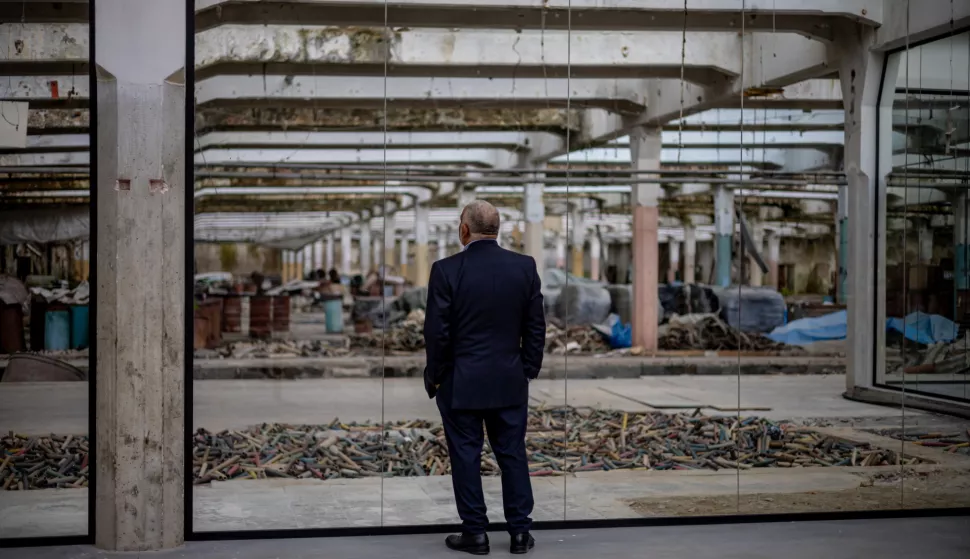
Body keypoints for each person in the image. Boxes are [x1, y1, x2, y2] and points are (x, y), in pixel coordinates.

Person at [423, 200, 545, 555]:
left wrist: (437, 377)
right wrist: (527, 370)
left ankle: (475, 533)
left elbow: (437, 333)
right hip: (509, 380)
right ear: (498, 229)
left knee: (465, 456)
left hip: (461, 383)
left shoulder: (446, 270)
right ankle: (520, 533)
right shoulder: (523, 267)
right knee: (512, 455)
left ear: (464, 230)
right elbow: (535, 326)